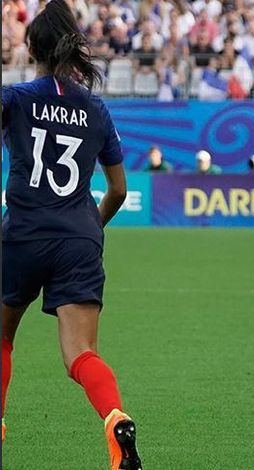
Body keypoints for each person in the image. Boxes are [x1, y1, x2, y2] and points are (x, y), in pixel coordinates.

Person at [0, 1, 143, 468]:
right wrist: (88, 232)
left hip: (23, 233)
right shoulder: (96, 109)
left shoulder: (17, 99)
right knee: (81, 354)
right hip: (79, 236)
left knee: (2, 340)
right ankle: (115, 418)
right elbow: (118, 190)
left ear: (32, 48)